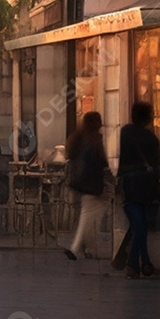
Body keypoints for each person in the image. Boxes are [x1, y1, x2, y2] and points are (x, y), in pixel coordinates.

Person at [118, 101, 160, 278]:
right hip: (147, 185)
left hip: (129, 184)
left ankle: (138, 264)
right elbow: (157, 159)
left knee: (139, 225)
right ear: (149, 117)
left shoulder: (124, 133)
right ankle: (140, 263)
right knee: (141, 225)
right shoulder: (151, 138)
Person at [65, 111, 108, 261]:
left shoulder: (78, 138)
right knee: (89, 217)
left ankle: (91, 249)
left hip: (79, 184)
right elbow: (100, 163)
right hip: (92, 185)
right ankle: (76, 248)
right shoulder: (93, 140)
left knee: (88, 216)